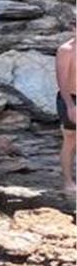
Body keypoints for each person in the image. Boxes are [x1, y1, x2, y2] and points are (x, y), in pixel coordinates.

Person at [56, 25, 76, 193]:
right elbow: (62, 82)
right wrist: (70, 105)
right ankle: (68, 182)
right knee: (70, 139)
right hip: (70, 98)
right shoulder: (66, 50)